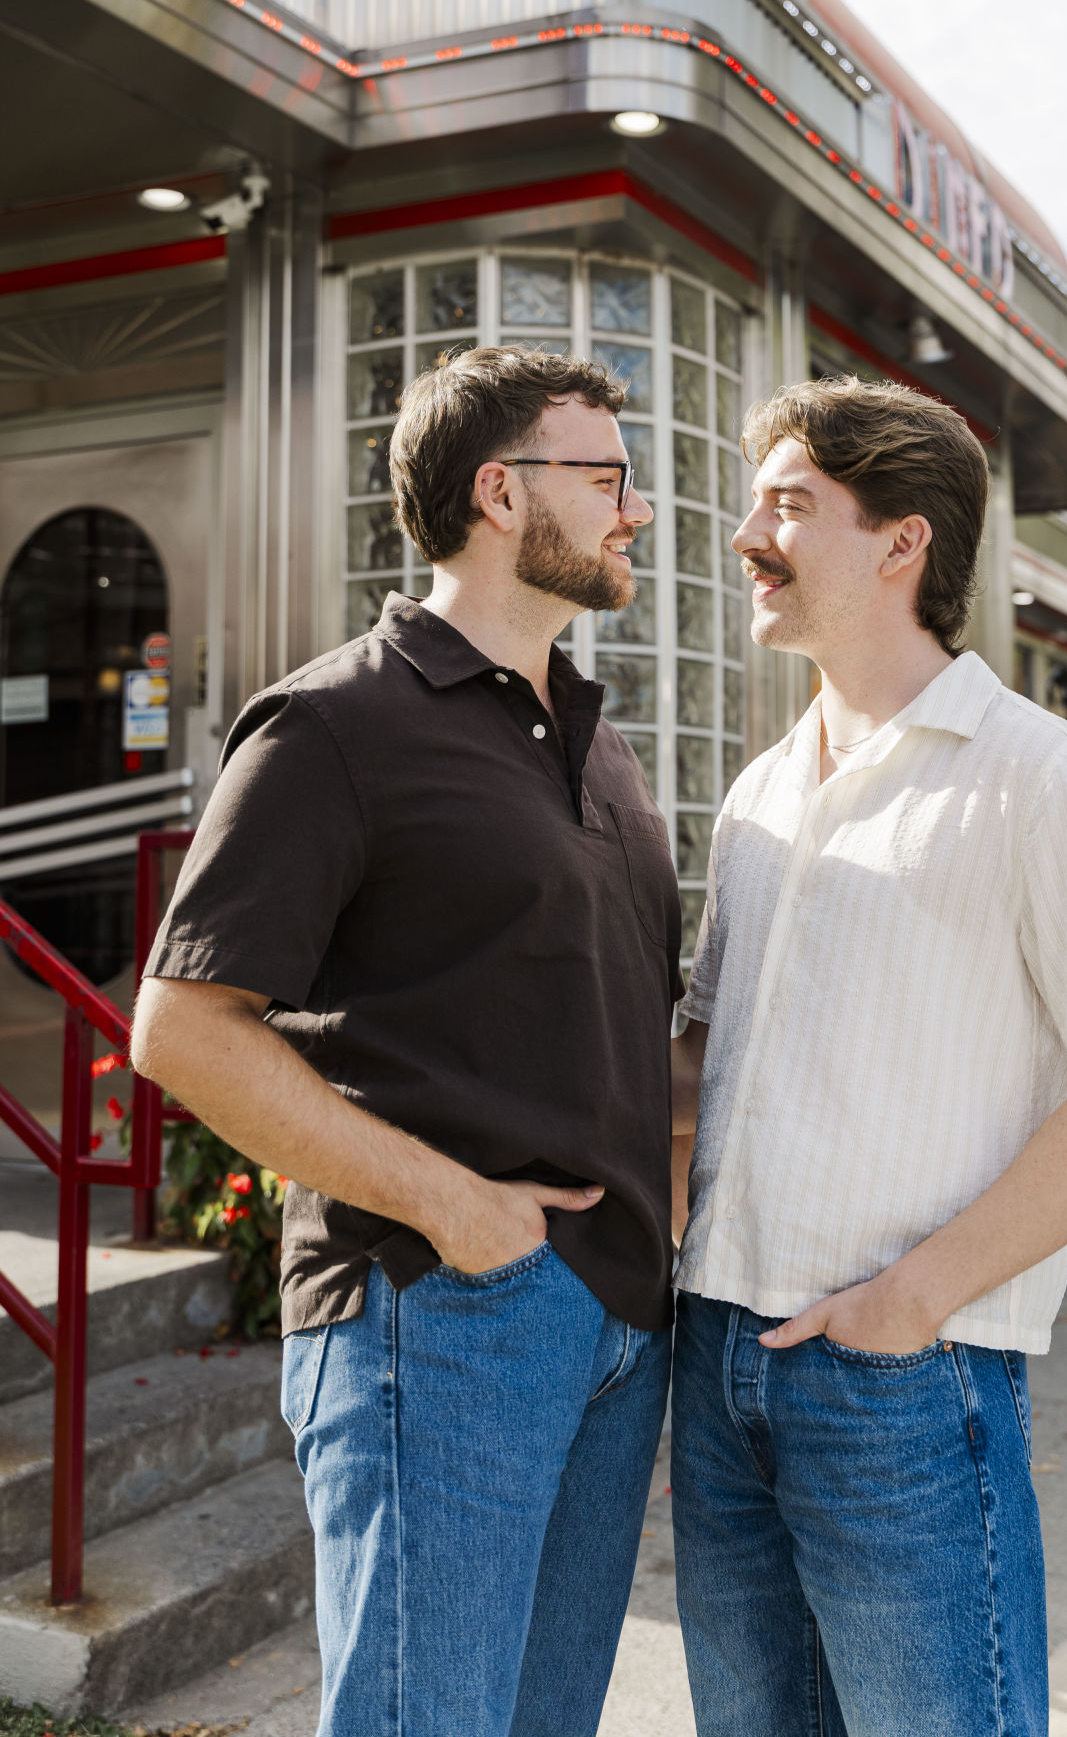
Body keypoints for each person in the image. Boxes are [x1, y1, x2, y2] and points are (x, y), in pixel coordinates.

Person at [131, 346, 681, 1737]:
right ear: (501, 492)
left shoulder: (599, 747)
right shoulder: (334, 725)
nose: (638, 511)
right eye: (605, 477)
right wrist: (464, 1216)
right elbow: (184, 1031)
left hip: (612, 1324)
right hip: (443, 1309)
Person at [669, 374, 1067, 1737]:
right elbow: (703, 1060)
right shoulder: (758, 790)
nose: (745, 535)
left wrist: (910, 1302)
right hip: (719, 1358)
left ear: (901, 541)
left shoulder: (1037, 776)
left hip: (899, 1376)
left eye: (786, 505)